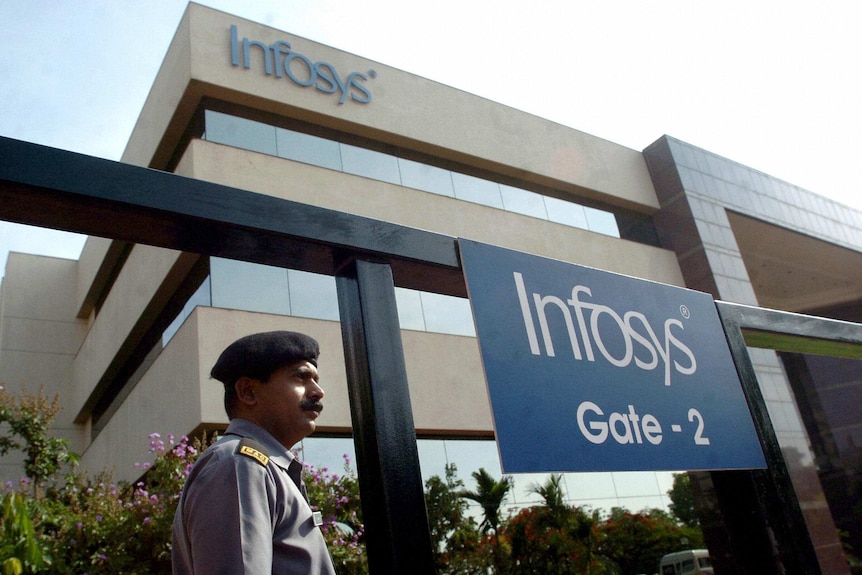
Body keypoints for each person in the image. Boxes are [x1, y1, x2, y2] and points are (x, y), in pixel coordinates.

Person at [172, 330, 337, 575]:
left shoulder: (265, 467)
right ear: (248, 392)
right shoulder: (240, 465)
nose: (317, 391)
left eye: (315, 379)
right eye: (301, 377)